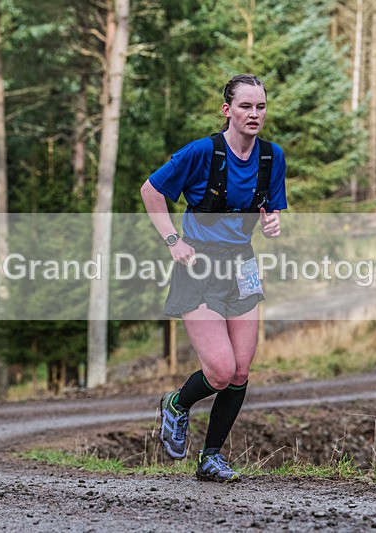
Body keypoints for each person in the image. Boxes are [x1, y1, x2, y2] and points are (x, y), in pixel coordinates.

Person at [140, 74, 286, 482]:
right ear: (228, 110)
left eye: (260, 106)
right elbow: (150, 191)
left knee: (240, 372)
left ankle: (211, 457)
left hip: (242, 265)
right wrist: (172, 240)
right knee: (219, 371)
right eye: (245, 106)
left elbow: (268, 210)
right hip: (198, 265)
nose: (253, 114)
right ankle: (176, 404)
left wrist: (271, 222)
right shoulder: (202, 152)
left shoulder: (272, 158)